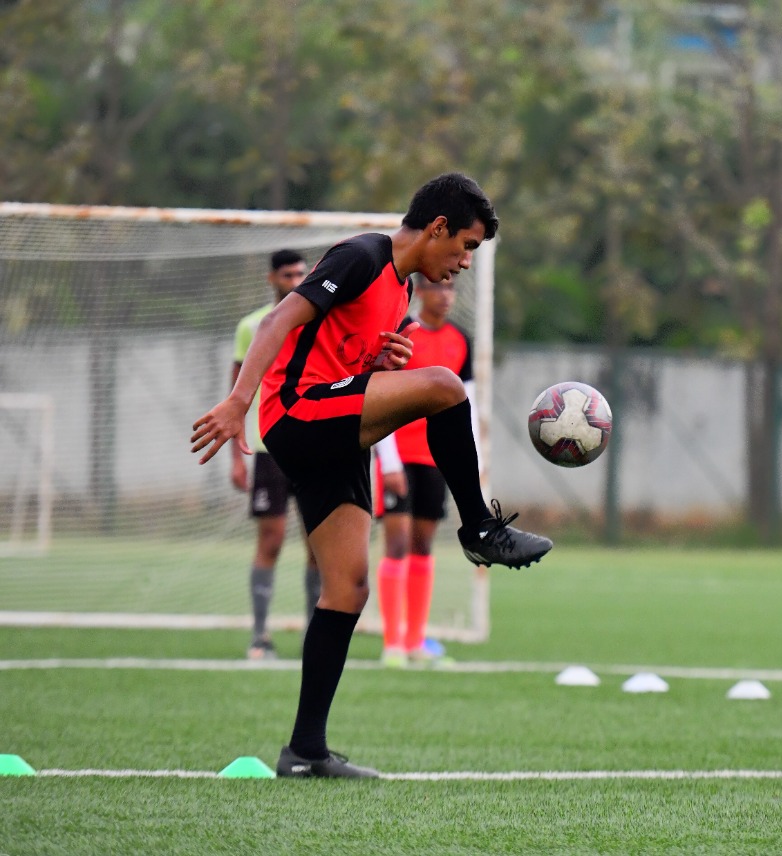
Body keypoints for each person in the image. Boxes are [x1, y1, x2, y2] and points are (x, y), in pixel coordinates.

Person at [192, 173, 553, 779]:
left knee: (348, 589)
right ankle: (480, 529)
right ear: (436, 227)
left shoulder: (402, 287)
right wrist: (236, 402)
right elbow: (278, 322)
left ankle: (304, 751)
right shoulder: (362, 256)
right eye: (464, 245)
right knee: (442, 385)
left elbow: (337, 349)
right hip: (298, 413)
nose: (464, 262)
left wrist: (376, 362)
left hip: (333, 432)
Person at [372, 276, 475, 668]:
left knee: (422, 546)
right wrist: (390, 461)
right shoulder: (402, 334)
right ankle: (392, 643)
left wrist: (470, 461)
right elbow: (380, 396)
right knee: (396, 544)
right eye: (438, 288)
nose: (445, 296)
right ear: (422, 291)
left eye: (451, 289)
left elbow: (468, 402)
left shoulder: (461, 340)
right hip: (397, 455)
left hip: (436, 458)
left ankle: (416, 642)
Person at [230, 250, 321, 660]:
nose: (296, 279)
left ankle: (313, 636)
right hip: (269, 449)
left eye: (302, 273)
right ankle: (260, 635)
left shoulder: (318, 320)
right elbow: (237, 395)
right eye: (289, 274)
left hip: (312, 447)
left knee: (318, 543)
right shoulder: (252, 327)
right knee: (271, 539)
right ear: (272, 278)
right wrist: (236, 456)